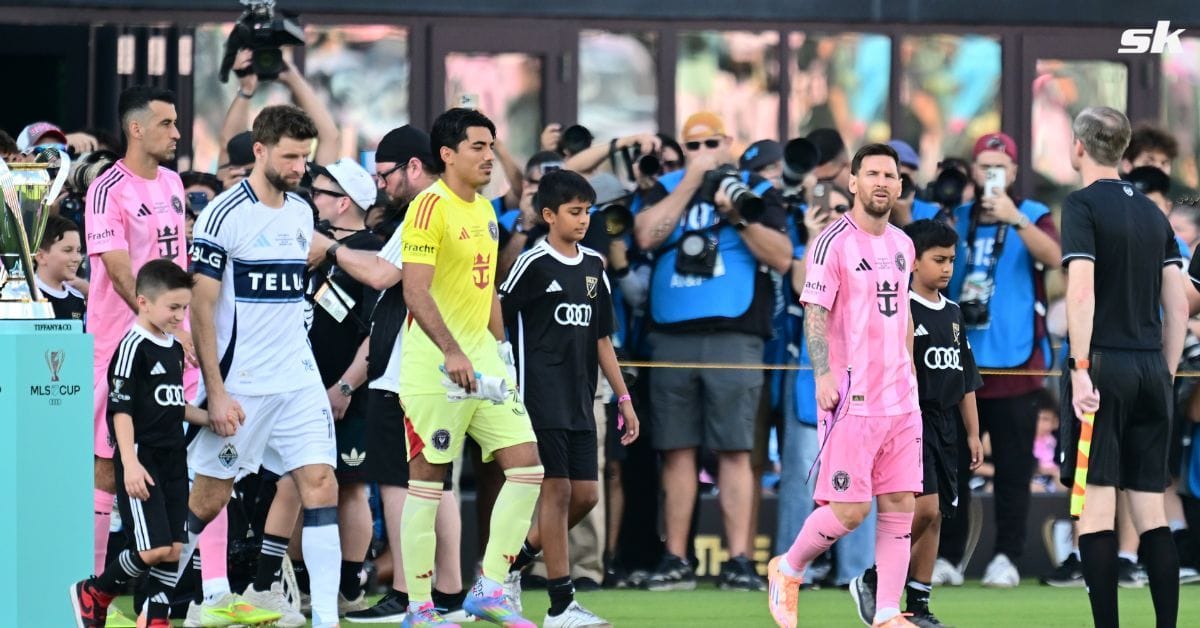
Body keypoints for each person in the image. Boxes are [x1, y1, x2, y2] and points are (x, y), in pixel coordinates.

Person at [180, 105, 343, 628]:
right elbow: (201, 307)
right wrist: (217, 391)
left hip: (297, 377)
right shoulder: (223, 214)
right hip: (242, 385)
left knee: (321, 483)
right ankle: (158, 599)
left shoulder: (300, 212)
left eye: (305, 157)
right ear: (260, 150)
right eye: (291, 156)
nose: (300, 167)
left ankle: (327, 621)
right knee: (207, 499)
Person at [306, 125, 471, 624]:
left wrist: (331, 250)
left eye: (386, 175)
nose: (382, 187)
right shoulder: (461, 205)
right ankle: (447, 593)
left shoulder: (426, 209)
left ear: (414, 167)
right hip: (438, 363)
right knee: (435, 483)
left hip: (408, 368)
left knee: (400, 484)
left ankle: (407, 591)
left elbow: (382, 273)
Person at [631, 111, 792, 592]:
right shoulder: (667, 187)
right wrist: (689, 184)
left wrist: (736, 213)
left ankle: (739, 559)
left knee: (735, 450)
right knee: (675, 449)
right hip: (671, 335)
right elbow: (644, 235)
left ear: (728, 142)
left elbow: (782, 256)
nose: (703, 152)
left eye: (711, 143)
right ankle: (676, 557)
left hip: (735, 334)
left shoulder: (756, 190)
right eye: (693, 145)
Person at [396, 107, 542, 627]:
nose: (488, 156)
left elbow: (486, 290)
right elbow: (414, 291)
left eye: (491, 145)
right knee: (429, 483)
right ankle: (420, 607)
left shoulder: (483, 211)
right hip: (433, 366)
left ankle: (491, 588)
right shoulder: (428, 209)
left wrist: (502, 351)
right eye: (478, 147)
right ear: (447, 154)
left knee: (527, 468)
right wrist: (454, 352)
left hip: (482, 360)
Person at [70, 261, 277, 628]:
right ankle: (95, 592)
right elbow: (122, 411)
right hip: (143, 460)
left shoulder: (173, 347)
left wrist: (214, 415)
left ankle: (157, 620)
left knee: (176, 548)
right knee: (153, 549)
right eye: (172, 308)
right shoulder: (133, 347)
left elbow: (171, 405)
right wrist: (130, 464)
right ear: (143, 303)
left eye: (184, 308)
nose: (179, 316)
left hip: (174, 460)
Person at [767, 143, 921, 628]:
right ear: (852, 182)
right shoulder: (832, 241)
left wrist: (912, 373)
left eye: (889, 176)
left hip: (901, 398)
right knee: (850, 511)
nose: (881, 183)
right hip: (854, 398)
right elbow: (815, 311)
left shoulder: (903, 244)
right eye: (871, 173)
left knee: (899, 507)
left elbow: (905, 314)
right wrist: (824, 374)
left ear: (898, 186)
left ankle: (888, 613)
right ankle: (788, 569)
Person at [1061, 106, 1186, 628]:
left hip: (1104, 365)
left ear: (1079, 147)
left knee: (1096, 511)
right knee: (1152, 512)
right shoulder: (1156, 214)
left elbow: (1081, 290)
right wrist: (1167, 373)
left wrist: (1079, 367)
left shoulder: (1081, 206)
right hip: (1152, 371)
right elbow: (1177, 304)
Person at [497, 170, 640, 627]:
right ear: (548, 215)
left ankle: (509, 565)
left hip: (582, 398)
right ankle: (561, 605)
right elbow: (496, 309)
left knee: (585, 497)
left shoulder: (596, 265)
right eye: (575, 212)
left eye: (587, 212)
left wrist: (623, 398)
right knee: (556, 492)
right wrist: (507, 371)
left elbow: (602, 338)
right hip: (540, 396)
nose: (583, 220)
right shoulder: (533, 263)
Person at [84, 87, 192, 627]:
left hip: (176, 344)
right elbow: (122, 272)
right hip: (119, 343)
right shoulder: (106, 189)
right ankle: (90, 588)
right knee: (109, 466)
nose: (177, 133)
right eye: (168, 123)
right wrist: (160, 324)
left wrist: (182, 329)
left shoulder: (173, 183)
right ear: (136, 129)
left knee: (177, 464)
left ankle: (158, 606)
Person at [938, 132, 1062, 588]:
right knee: (951, 468)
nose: (991, 173)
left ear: (1012, 173)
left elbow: (1057, 259)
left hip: (1017, 365)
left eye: (999, 166)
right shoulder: (955, 217)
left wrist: (1016, 220)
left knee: (1013, 469)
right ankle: (948, 556)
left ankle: (1007, 556)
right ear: (973, 171)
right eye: (983, 165)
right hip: (958, 363)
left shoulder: (1034, 215)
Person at [848, 219, 984, 628]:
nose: (946, 268)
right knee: (921, 509)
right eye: (938, 259)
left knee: (937, 512)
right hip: (910, 419)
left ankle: (919, 602)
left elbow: (966, 380)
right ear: (912, 260)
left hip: (946, 425)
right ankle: (875, 578)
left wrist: (974, 433)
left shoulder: (956, 314)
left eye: (952, 260)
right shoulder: (900, 308)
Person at [304, 157, 384, 614]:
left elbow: (379, 331)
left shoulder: (374, 249)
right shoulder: (307, 244)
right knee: (295, 484)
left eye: (320, 192)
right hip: (298, 386)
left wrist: (347, 386)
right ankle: (295, 584)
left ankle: (350, 586)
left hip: (350, 393)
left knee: (351, 486)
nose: (312, 200)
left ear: (344, 202)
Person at [34, 214, 86, 321]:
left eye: (78, 250)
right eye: (68, 250)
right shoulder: (25, 297)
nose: (77, 258)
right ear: (41, 256)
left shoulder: (78, 299)